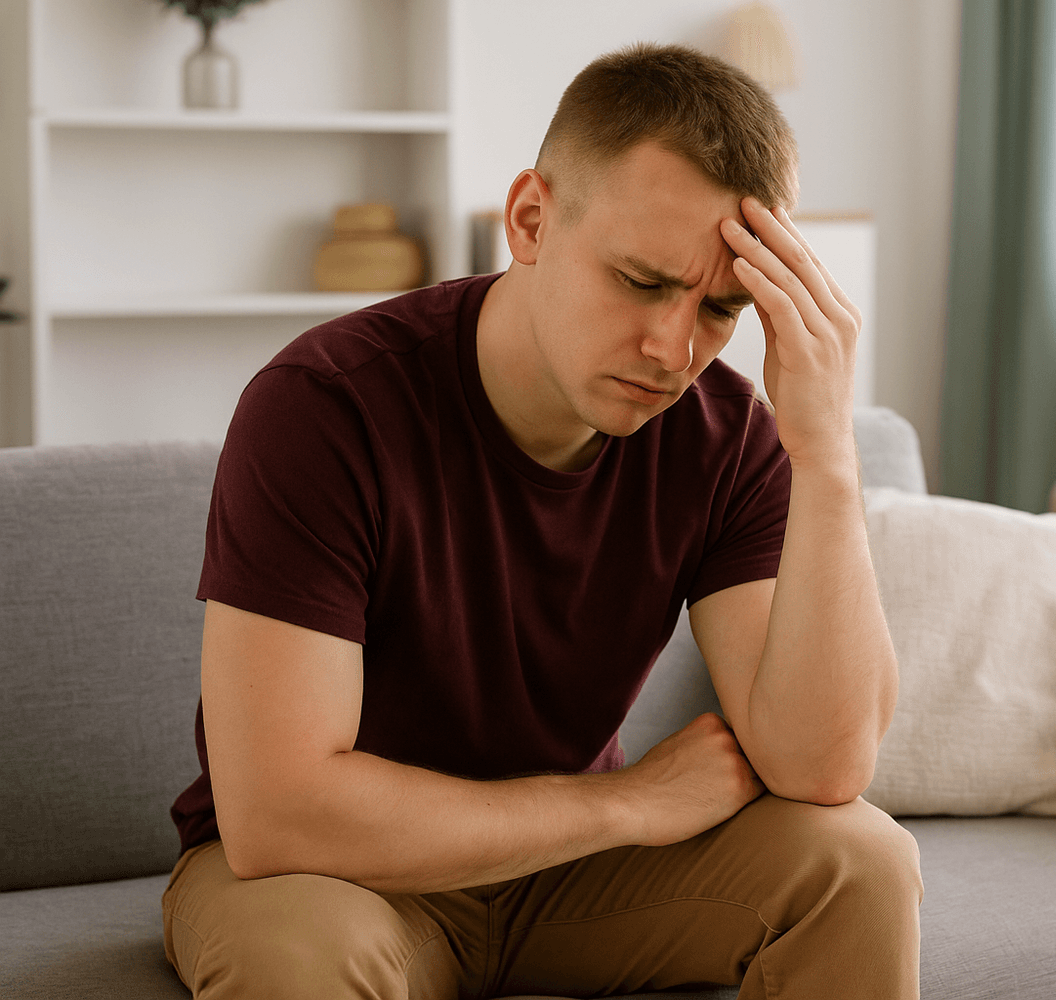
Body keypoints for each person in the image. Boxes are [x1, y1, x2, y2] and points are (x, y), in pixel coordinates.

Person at [161, 42, 921, 1000]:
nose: (672, 347)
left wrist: (830, 461)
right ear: (530, 219)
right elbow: (280, 813)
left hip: (564, 884)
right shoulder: (324, 406)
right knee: (295, 961)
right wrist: (624, 804)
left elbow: (824, 764)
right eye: (641, 281)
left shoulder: (730, 439)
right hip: (334, 880)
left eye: (723, 308)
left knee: (861, 861)